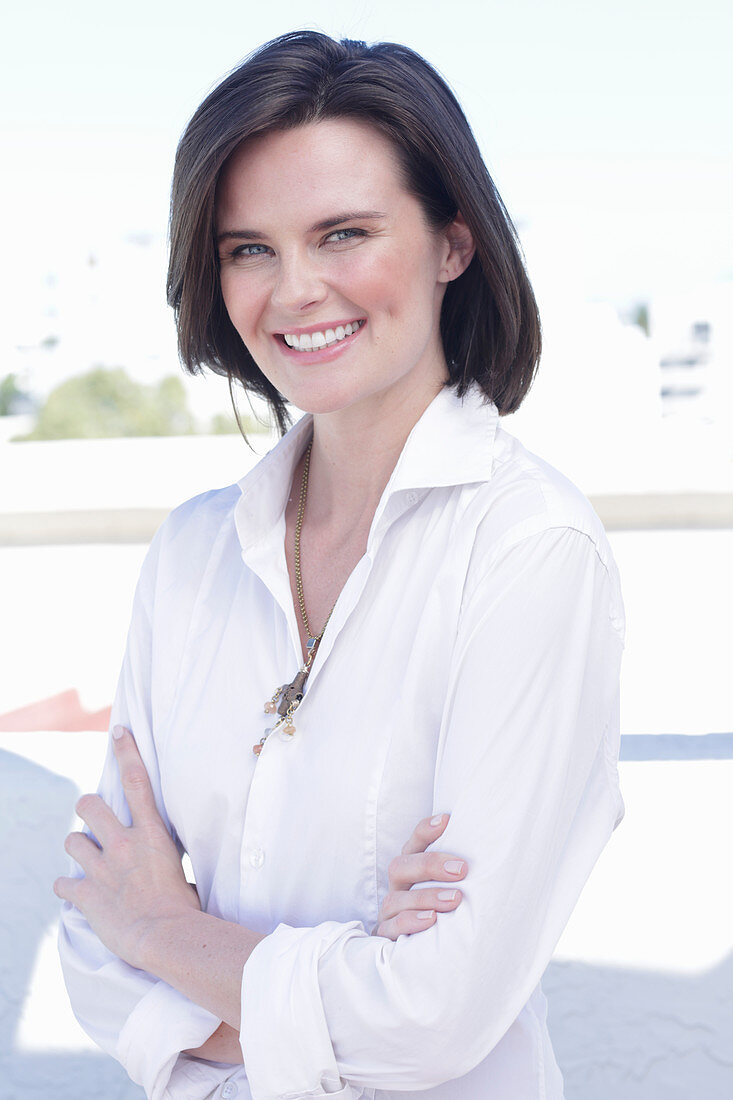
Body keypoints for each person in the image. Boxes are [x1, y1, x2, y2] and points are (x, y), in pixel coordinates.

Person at [55, 30, 625, 1100]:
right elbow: (95, 947)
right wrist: (320, 982)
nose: (296, 288)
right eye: (249, 248)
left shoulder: (529, 550)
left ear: (453, 243)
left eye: (344, 233)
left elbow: (435, 1017)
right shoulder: (190, 556)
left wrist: (168, 930)